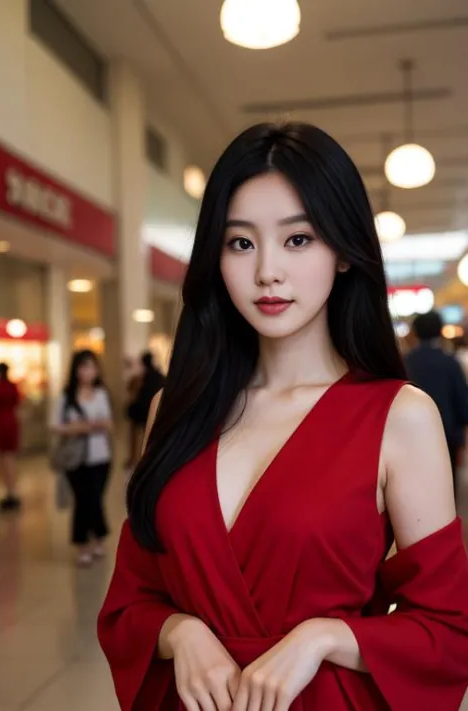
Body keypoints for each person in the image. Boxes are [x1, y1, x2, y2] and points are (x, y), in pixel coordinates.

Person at [98, 124, 468, 710]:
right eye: (240, 243)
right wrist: (180, 632)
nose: (267, 270)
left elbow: (447, 632)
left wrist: (325, 637)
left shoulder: (399, 417)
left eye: (298, 240)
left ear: (344, 251)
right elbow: (131, 599)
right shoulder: (175, 410)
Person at [52, 350, 113, 567]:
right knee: (82, 500)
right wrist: (76, 428)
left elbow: (109, 423)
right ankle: (83, 545)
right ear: (76, 370)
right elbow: (55, 425)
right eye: (84, 366)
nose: (89, 371)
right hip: (75, 458)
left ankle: (98, 538)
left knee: (95, 498)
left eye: (92, 366)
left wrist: (96, 425)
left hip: (101, 456)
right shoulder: (65, 397)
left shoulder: (101, 394)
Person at [405, 310, 468, 496]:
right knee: (447, 487)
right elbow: (462, 403)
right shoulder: (449, 362)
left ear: (415, 332)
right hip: (446, 434)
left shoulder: (406, 362)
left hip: (410, 436)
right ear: (440, 330)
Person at [126, 351, 165, 467]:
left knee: (140, 437)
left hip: (142, 413)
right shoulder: (160, 377)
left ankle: (137, 459)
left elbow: (133, 395)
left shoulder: (140, 379)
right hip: (152, 413)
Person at [0, 363, 21, 511]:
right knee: (9, 458)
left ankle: (7, 490)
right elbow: (17, 404)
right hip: (11, 423)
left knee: (1, 459)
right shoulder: (13, 387)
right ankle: (11, 491)